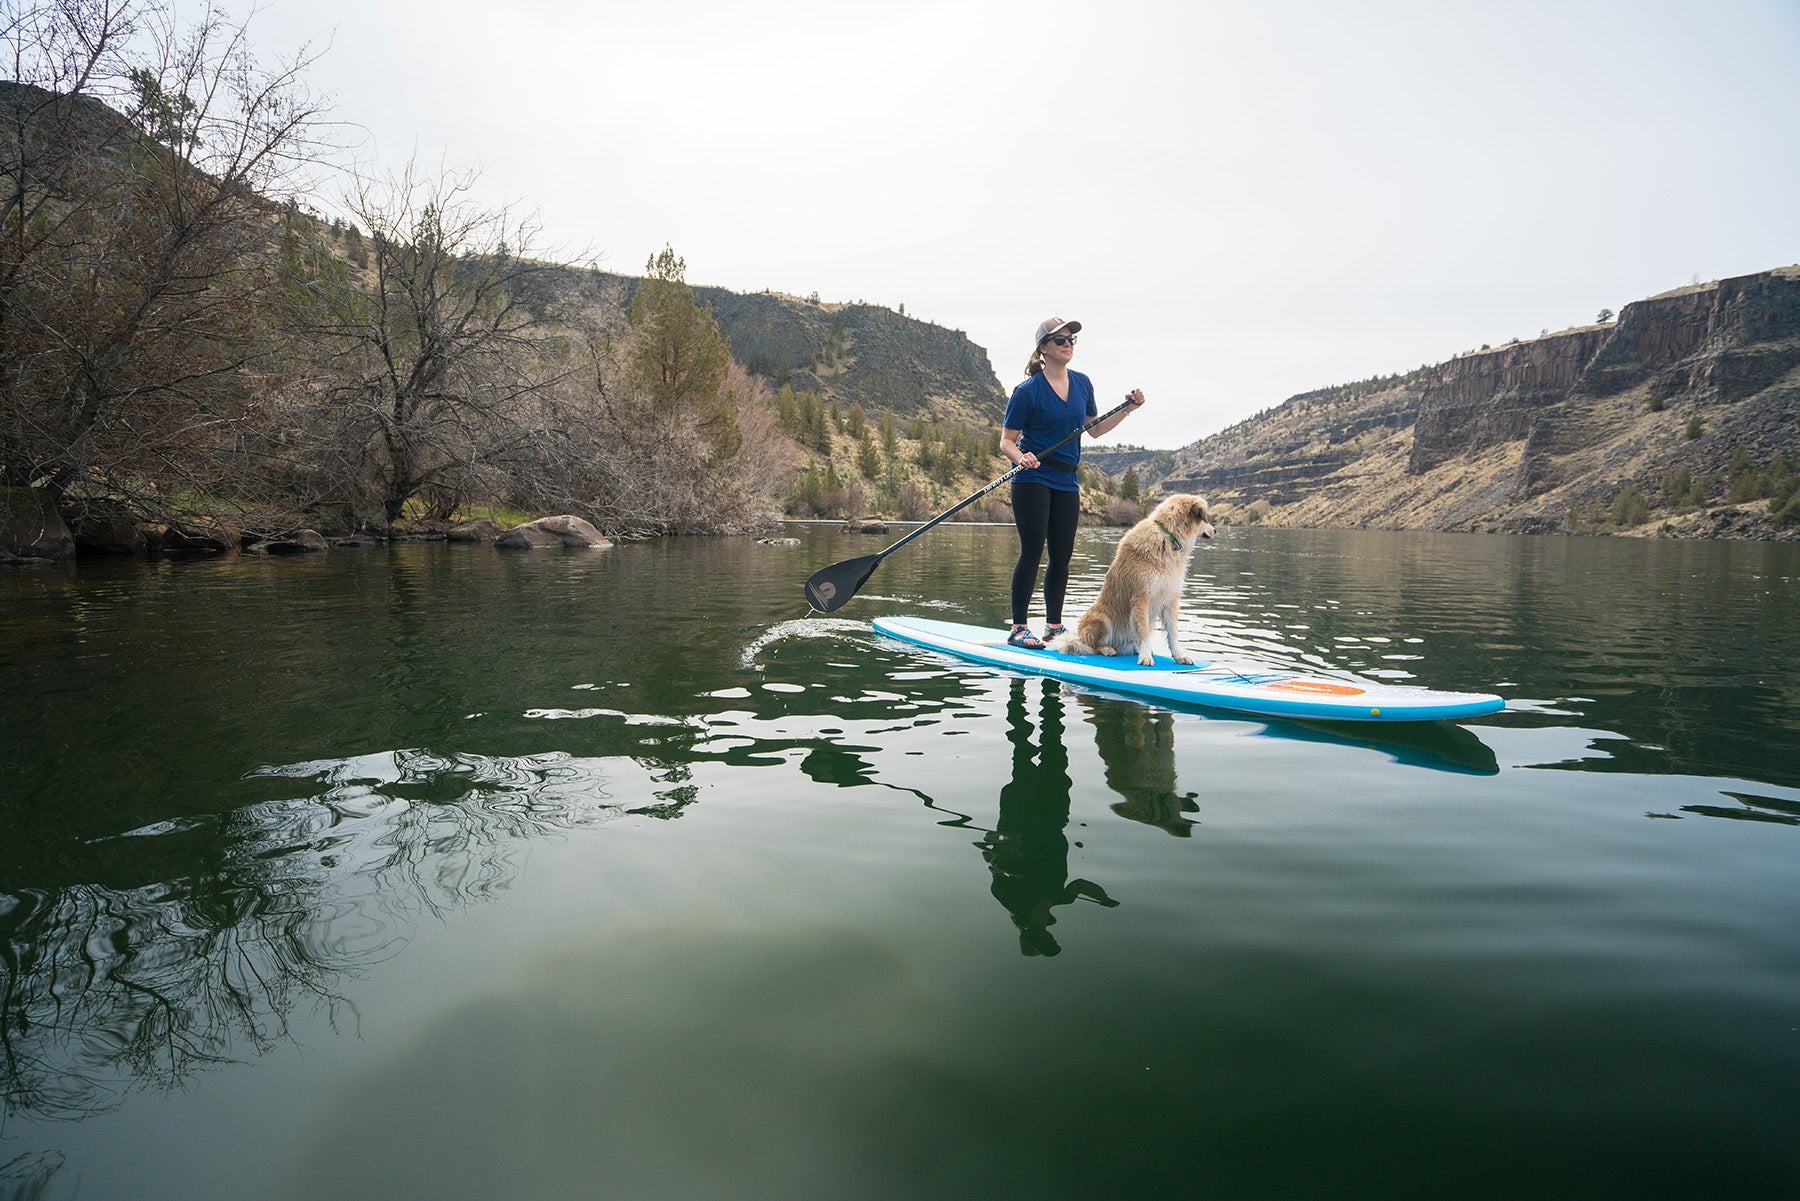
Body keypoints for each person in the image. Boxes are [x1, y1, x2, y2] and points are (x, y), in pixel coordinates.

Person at [1000, 317, 1146, 648]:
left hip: (1067, 480)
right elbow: (1006, 441)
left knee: (1062, 555)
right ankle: (1019, 628)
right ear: (1043, 349)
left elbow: (1094, 429)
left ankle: (1053, 626)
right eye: (1060, 340)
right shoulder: (1027, 391)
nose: (1068, 345)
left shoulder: (1082, 384)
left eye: (1071, 341)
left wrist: (1127, 411)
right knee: (1033, 550)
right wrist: (1020, 457)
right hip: (1033, 476)